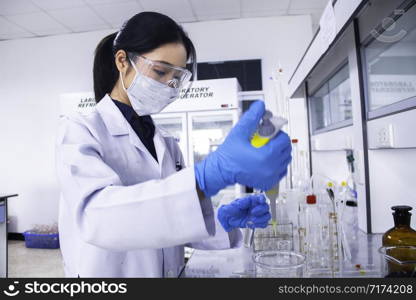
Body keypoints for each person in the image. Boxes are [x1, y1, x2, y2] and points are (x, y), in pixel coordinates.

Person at [55, 12, 292, 278]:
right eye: (160, 70)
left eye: (177, 77)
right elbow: (96, 218)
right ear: (123, 61)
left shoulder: (165, 142)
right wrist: (202, 179)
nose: (169, 84)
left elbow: (170, 219)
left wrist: (221, 220)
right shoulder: (80, 130)